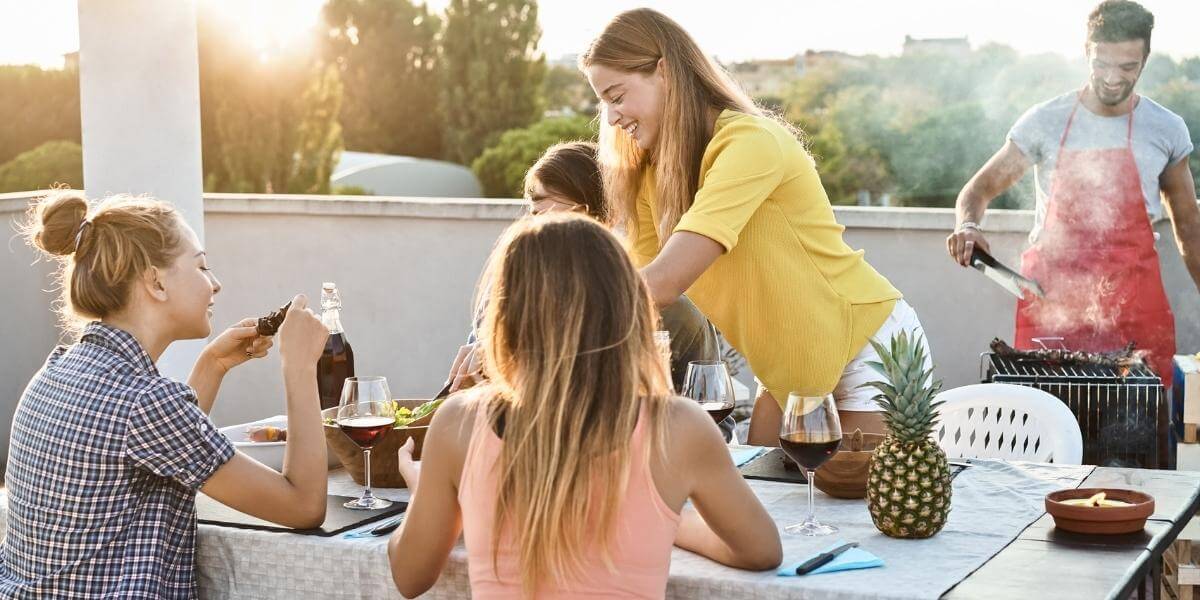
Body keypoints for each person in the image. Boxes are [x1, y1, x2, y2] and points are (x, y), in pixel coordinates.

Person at [579, 8, 930, 445]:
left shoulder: (750, 143)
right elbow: (639, 294)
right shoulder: (652, 176)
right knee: (762, 498)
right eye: (604, 102)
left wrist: (540, 320)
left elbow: (664, 282)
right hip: (793, 366)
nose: (611, 117)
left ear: (664, 71)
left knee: (852, 508)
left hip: (868, 347)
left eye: (616, 95)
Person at [388, 214, 781, 598]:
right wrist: (662, 520)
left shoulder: (459, 424)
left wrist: (427, 491)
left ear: (505, 318)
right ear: (627, 310)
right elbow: (761, 550)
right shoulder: (679, 427)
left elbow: (409, 578)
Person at [0, 191, 331, 598]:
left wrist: (213, 365)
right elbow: (303, 505)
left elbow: (159, 446)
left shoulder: (56, 372)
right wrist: (299, 367)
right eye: (202, 266)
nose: (216, 283)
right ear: (155, 281)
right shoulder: (145, 401)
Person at [946, 0, 1198, 389]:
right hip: (1052, 309)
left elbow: (1190, 229)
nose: (1112, 77)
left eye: (1127, 67)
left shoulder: (1165, 129)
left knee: (1139, 434)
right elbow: (977, 190)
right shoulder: (1045, 121)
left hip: (1134, 308)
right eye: (1102, 63)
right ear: (1086, 52)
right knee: (1047, 432)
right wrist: (967, 225)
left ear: (1145, 60)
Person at [446, 142, 726, 430]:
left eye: (542, 210)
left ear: (598, 217)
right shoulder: (506, 295)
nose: (530, 224)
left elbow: (715, 426)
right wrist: (489, 368)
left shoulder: (672, 314)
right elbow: (474, 407)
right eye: (531, 210)